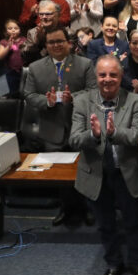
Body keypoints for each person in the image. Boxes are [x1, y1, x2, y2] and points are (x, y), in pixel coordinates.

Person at [69, 55, 138, 275]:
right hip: (96, 174)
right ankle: (113, 265)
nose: (107, 79)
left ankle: (137, 263)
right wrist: (95, 135)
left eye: (113, 75)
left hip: (126, 172)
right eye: (102, 75)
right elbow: (74, 139)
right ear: (95, 76)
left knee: (133, 222)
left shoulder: (135, 101)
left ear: (121, 76)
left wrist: (114, 133)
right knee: (105, 224)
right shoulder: (82, 101)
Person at [23, 27, 96, 225]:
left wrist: (73, 98)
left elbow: (93, 90)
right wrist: (46, 102)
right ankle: (66, 208)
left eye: (60, 41)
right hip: (52, 127)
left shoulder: (85, 64)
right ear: (46, 46)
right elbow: (29, 95)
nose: (56, 45)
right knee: (59, 172)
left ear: (68, 43)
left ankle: (87, 208)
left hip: (79, 127)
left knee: (84, 169)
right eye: (51, 42)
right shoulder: (35, 68)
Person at [0, 19, 26, 96]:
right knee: (14, 91)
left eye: (16, 28)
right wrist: (8, 47)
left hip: (24, 70)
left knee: (26, 90)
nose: (13, 30)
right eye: (10, 28)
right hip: (11, 71)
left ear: (20, 30)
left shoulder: (24, 40)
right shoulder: (3, 42)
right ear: (5, 31)